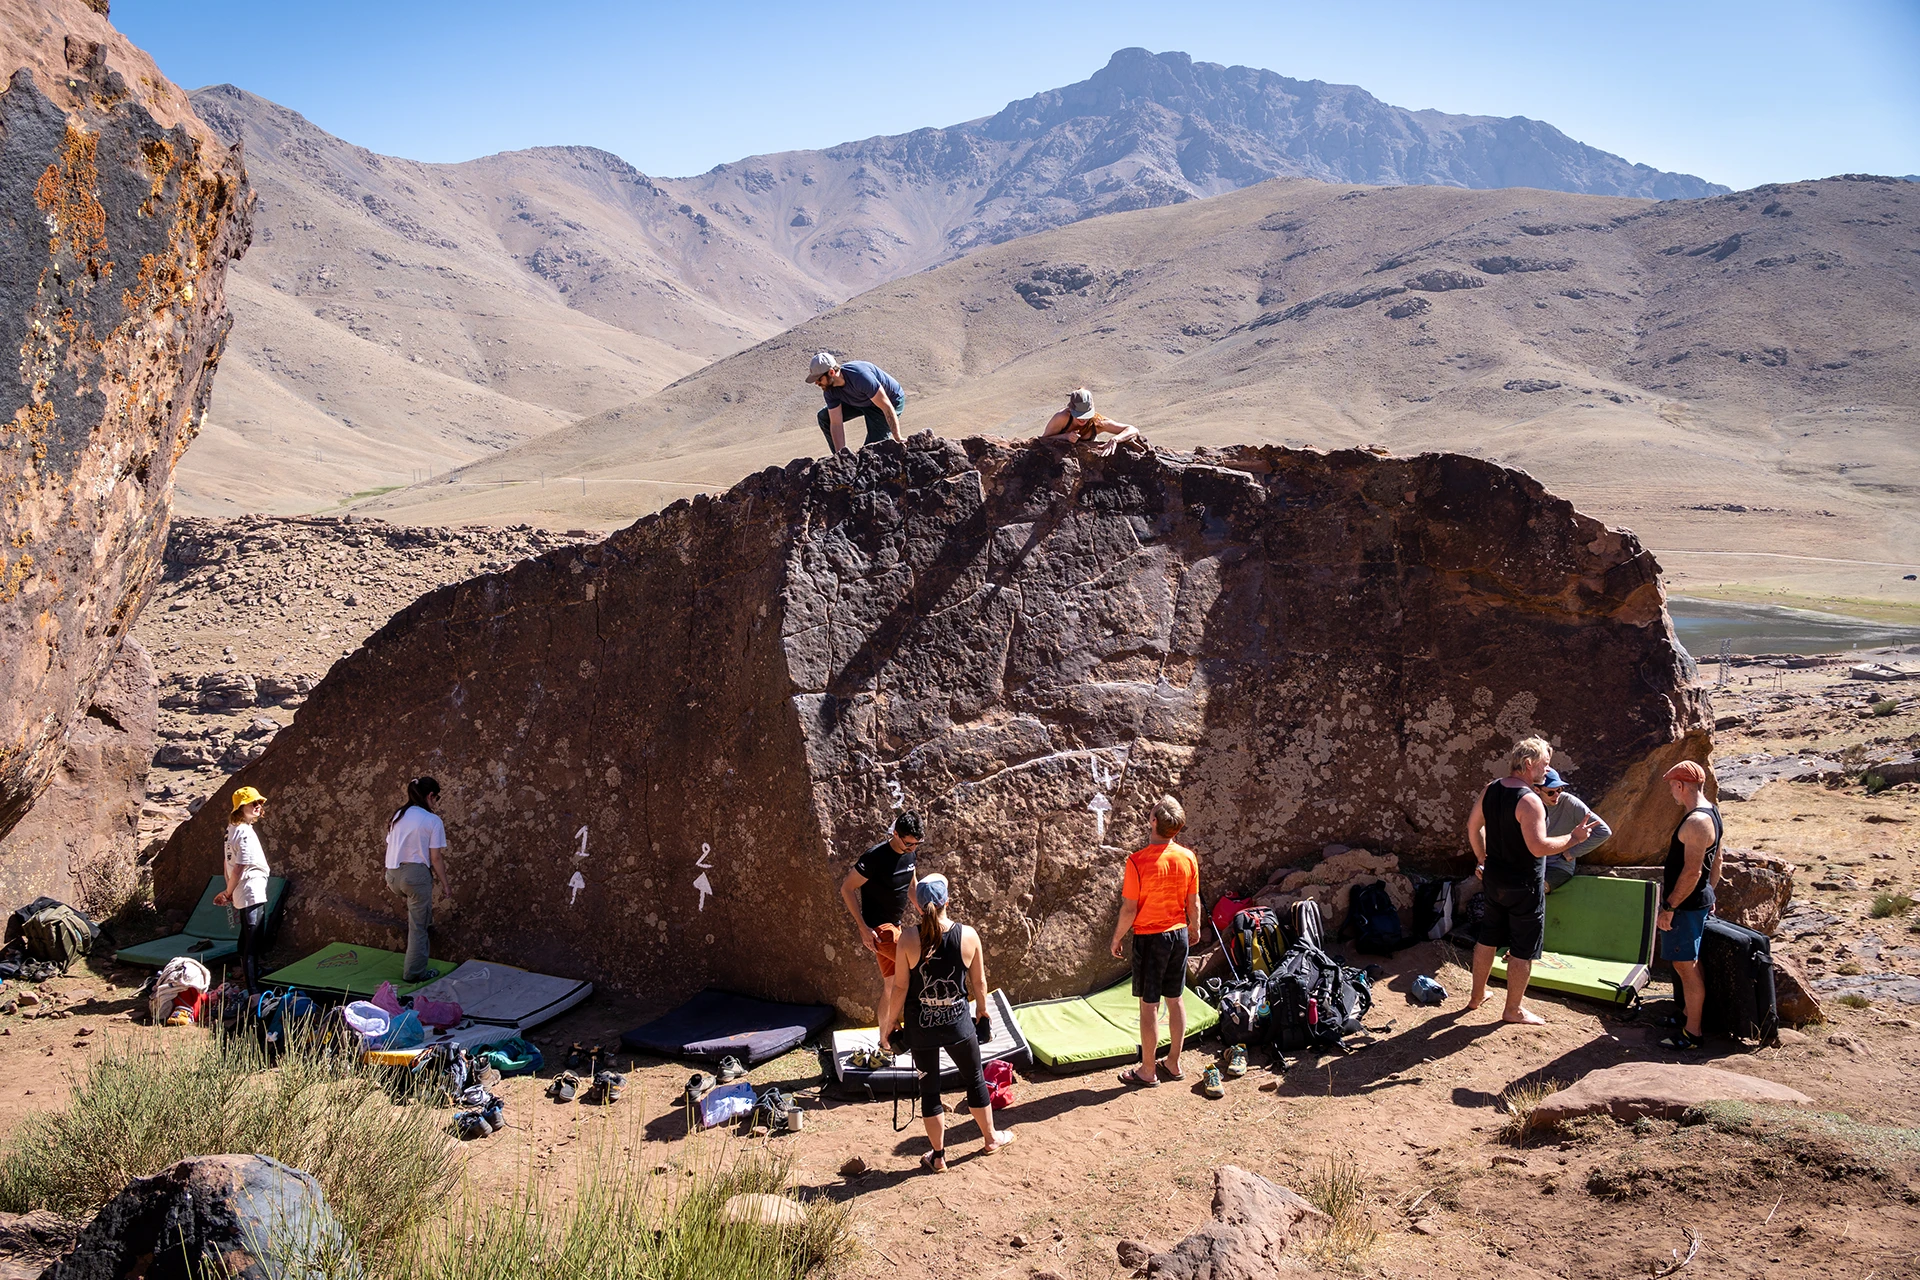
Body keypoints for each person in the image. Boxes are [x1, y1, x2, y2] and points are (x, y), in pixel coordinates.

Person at [877, 874, 1013, 1171]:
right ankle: (990, 1139)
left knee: (930, 1090)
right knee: (975, 1079)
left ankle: (938, 1157)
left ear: (919, 907)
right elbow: (979, 982)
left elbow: (899, 987)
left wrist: (889, 1025)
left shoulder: (909, 939)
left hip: (921, 1027)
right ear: (946, 902)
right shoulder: (968, 935)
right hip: (959, 1025)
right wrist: (982, 1013)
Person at [1464, 738, 1599, 1025]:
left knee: (1487, 938)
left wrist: (1482, 859)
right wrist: (1573, 839)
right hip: (1524, 885)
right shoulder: (1530, 801)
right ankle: (1512, 1010)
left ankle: (1477, 996)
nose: (1547, 770)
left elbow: (1473, 826)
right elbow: (1538, 847)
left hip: (1494, 880)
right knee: (1523, 950)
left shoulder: (1491, 789)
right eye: (1545, 765)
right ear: (1528, 764)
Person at [1109, 795, 1201, 1089]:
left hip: (1150, 938)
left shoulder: (1137, 861)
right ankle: (1173, 1062)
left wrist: (1117, 937)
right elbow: (1193, 900)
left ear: (1153, 822)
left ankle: (1148, 1070)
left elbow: (1129, 908)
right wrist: (1194, 927)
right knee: (1175, 999)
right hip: (1178, 934)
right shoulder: (1187, 857)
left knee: (1149, 1006)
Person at [1656, 760, 1723, 1052]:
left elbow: (1693, 871)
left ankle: (1693, 1033)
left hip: (1684, 905)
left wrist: (1669, 906)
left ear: (1681, 786)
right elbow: (1717, 862)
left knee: (1686, 966)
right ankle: (1686, 1015)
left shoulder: (1696, 822)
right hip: (1696, 901)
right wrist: (1710, 893)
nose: (1671, 791)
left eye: (1672, 786)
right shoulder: (1713, 813)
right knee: (1687, 963)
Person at [840, 812, 922, 1023]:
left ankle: (885, 1038)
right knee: (919, 970)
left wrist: (924, 912)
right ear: (895, 834)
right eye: (908, 843)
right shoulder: (874, 857)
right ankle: (917, 1030)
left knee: (892, 984)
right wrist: (863, 928)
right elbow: (847, 888)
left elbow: (911, 886)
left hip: (896, 926)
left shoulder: (911, 853)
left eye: (916, 844)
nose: (912, 848)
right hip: (881, 930)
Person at [384, 776, 449, 984]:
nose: (435, 802)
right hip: (414, 877)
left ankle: (416, 957)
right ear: (430, 796)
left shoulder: (398, 815)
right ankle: (414, 973)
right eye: (436, 798)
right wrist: (446, 884)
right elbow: (435, 858)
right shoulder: (432, 821)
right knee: (418, 927)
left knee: (417, 915)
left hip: (392, 875)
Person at [213, 786, 271, 993]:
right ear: (240, 807)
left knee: (247, 936)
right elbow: (239, 865)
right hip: (250, 888)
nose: (257, 806)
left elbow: (227, 862)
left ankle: (251, 974)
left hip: (243, 888)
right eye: (252, 803)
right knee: (252, 939)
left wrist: (228, 889)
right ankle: (253, 987)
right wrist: (228, 892)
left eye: (259, 803)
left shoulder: (232, 830)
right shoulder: (243, 832)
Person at [808, 352, 905, 453]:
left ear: (831, 372)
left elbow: (886, 406)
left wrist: (898, 438)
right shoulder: (829, 390)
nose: (816, 383)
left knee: (870, 452)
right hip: (860, 401)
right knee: (824, 417)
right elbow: (836, 423)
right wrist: (840, 457)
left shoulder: (860, 377)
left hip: (888, 403)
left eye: (819, 379)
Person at [1536, 767, 1613, 891]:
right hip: (1531, 864)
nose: (1557, 795)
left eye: (1559, 790)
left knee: (1536, 890)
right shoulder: (1528, 804)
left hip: (1558, 866)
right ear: (1537, 790)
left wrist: (1571, 853)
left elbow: (1603, 832)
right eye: (1551, 792)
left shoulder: (1569, 803)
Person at [1040, 388, 1142, 457]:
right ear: (1070, 410)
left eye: (1086, 415)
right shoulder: (1062, 418)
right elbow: (1042, 440)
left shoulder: (1097, 422)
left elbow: (1133, 430)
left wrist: (1115, 439)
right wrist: (1065, 436)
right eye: (1079, 415)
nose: (1083, 419)